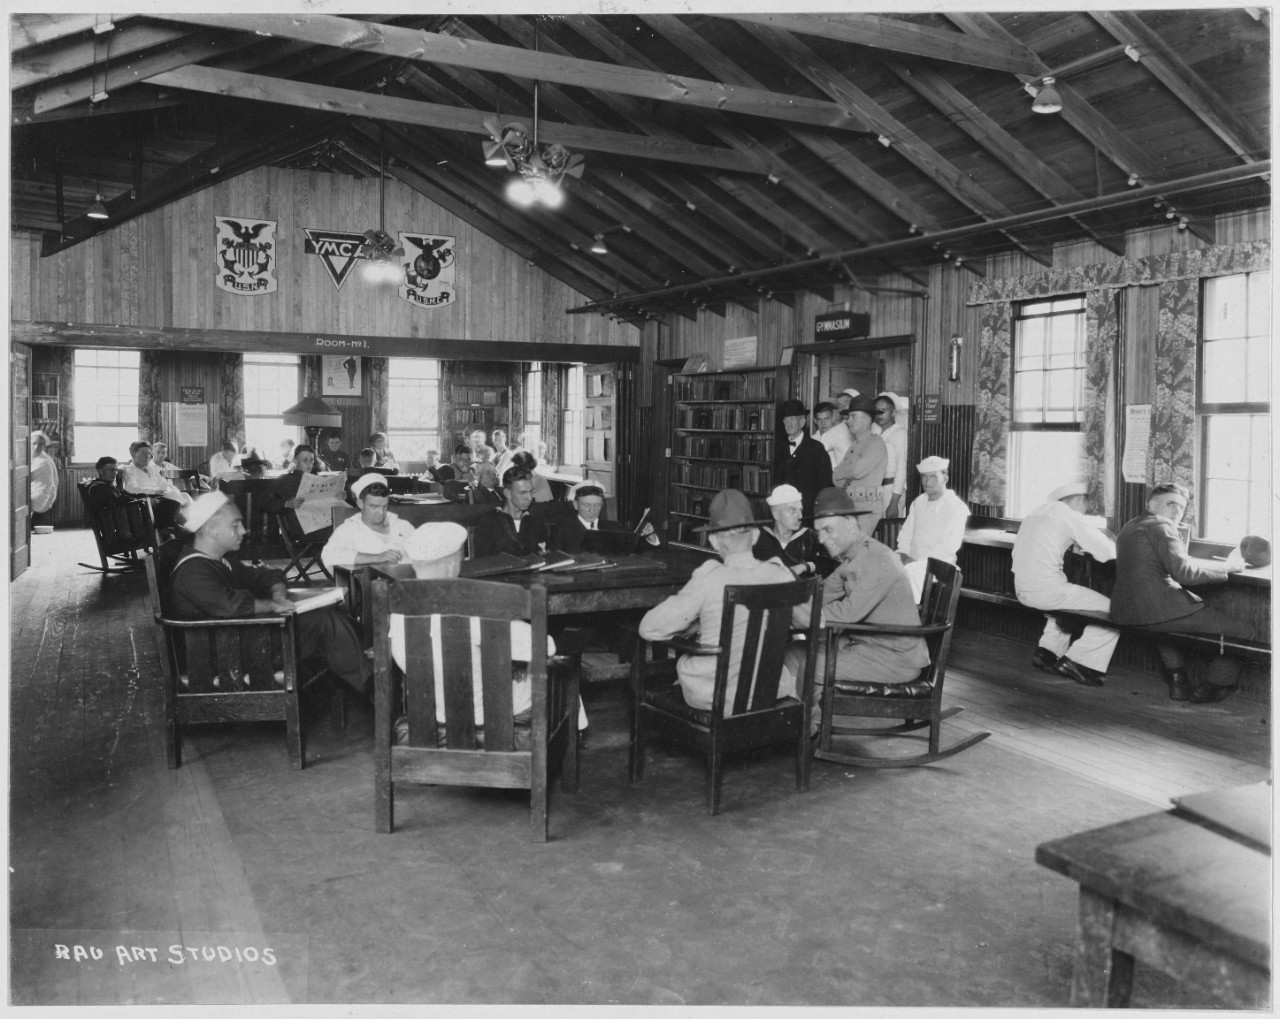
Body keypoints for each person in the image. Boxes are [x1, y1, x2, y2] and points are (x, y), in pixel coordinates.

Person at [387, 522, 588, 743]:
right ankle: (576, 735)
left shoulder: (397, 610)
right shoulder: (477, 603)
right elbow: (543, 646)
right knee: (558, 671)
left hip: (430, 712)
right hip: (486, 715)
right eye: (460, 559)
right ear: (450, 563)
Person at [166, 492, 369, 698]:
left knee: (330, 620)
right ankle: (376, 684)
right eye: (235, 525)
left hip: (237, 642)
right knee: (326, 623)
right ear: (211, 530)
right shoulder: (193, 569)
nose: (243, 531)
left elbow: (265, 576)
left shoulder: (220, 562)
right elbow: (231, 606)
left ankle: (373, 677)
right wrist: (272, 606)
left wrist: (279, 596)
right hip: (223, 657)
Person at [638, 489, 805, 713]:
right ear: (755, 536)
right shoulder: (780, 573)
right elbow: (815, 621)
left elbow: (649, 629)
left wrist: (695, 623)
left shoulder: (709, 576)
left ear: (713, 541)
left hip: (715, 695)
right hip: (771, 689)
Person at [1111, 482, 1255, 703]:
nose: (1177, 511)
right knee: (1244, 630)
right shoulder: (1161, 525)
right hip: (1157, 610)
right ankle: (1212, 687)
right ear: (1152, 503)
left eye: (1181, 507)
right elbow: (1185, 574)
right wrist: (1228, 567)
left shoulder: (1130, 525)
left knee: (1165, 628)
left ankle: (1178, 683)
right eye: (1171, 504)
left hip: (1126, 611)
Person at [808, 486, 930, 715]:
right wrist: (786, 605)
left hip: (896, 659)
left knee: (808, 664)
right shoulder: (852, 558)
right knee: (797, 651)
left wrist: (800, 615)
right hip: (869, 646)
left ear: (851, 524)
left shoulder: (878, 559)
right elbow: (822, 594)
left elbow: (848, 613)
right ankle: (803, 725)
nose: (821, 539)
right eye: (818, 532)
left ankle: (808, 732)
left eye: (827, 530)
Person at [1011, 481, 1118, 687]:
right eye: (1086, 506)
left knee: (1069, 599)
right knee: (1112, 610)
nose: (1085, 513)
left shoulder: (1036, 512)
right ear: (1079, 500)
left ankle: (1048, 651)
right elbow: (1106, 553)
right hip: (1045, 592)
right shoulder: (1068, 515)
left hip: (1021, 589)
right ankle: (1079, 662)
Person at [896, 456, 969, 602]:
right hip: (911, 559)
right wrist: (903, 554)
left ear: (945, 478)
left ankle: (912, 618)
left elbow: (948, 545)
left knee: (910, 572)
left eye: (933, 477)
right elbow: (906, 533)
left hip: (939, 563)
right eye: (924, 477)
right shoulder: (918, 502)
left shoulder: (955, 506)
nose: (928, 482)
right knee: (883, 565)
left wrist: (917, 562)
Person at [321, 474, 418, 571]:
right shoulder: (349, 530)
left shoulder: (402, 526)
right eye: (374, 507)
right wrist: (377, 557)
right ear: (360, 503)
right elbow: (329, 555)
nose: (380, 512)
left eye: (384, 507)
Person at [546, 481, 660, 554]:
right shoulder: (562, 530)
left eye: (596, 505)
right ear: (575, 505)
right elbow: (557, 559)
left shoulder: (614, 527)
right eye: (586, 505)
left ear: (602, 505)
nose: (592, 510)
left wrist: (650, 536)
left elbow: (637, 549)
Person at [832, 394, 887, 535]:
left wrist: (843, 470)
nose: (848, 421)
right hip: (849, 506)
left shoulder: (876, 443)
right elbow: (835, 478)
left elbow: (856, 471)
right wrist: (845, 471)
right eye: (848, 416)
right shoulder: (855, 445)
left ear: (867, 419)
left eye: (853, 416)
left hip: (866, 508)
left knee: (854, 550)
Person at [753, 483, 835, 579]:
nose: (800, 516)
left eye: (800, 510)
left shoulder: (809, 536)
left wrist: (804, 566)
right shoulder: (759, 538)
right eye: (792, 510)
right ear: (776, 514)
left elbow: (830, 562)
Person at [472, 466, 548, 558]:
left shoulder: (534, 522)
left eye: (530, 492)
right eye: (523, 493)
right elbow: (482, 564)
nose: (530, 498)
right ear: (508, 493)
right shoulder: (489, 522)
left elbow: (544, 556)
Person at [778, 398, 831, 519]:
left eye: (792, 419)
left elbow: (825, 485)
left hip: (808, 515)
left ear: (802, 421)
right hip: (785, 515)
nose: (788, 423)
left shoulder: (816, 448)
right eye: (786, 419)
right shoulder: (780, 449)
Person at [122, 440, 191, 530]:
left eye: (149, 454)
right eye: (143, 453)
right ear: (133, 454)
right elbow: (131, 489)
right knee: (174, 504)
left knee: (184, 497)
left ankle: (190, 524)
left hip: (160, 500)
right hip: (147, 505)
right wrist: (154, 491)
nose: (147, 457)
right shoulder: (130, 471)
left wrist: (176, 492)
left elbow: (163, 484)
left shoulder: (150, 468)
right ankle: (183, 526)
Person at [875, 392, 908, 518]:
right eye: (876, 411)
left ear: (893, 412)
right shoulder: (876, 433)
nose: (879, 415)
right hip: (877, 491)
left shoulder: (900, 434)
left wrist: (894, 503)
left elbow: (901, 470)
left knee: (891, 533)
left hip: (892, 491)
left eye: (883, 411)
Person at [813, 401, 852, 470]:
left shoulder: (844, 435)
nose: (823, 423)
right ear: (815, 421)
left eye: (826, 419)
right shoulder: (811, 441)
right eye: (820, 420)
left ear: (833, 418)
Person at [29, 431, 59, 517]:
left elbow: (27, 477)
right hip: (39, 493)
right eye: (34, 443)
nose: (36, 447)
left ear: (44, 447)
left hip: (43, 498)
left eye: (40, 445)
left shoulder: (44, 461)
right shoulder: (36, 456)